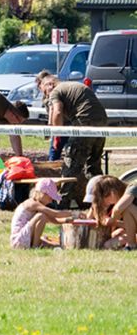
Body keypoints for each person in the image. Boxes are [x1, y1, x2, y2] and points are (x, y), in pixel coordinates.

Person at [38, 75, 107, 208]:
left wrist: (57, 134)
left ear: (49, 85)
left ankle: (62, 203)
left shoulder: (55, 92)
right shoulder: (70, 86)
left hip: (85, 122)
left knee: (71, 164)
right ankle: (103, 202)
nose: (46, 96)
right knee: (93, 167)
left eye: (44, 92)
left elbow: (57, 112)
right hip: (102, 121)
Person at [10, 178, 75, 249]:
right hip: (19, 240)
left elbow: (53, 219)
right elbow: (55, 214)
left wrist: (67, 220)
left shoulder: (37, 205)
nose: (51, 201)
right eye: (50, 197)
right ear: (42, 194)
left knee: (52, 245)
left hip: (23, 238)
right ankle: (35, 246)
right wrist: (75, 214)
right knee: (41, 215)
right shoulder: (33, 204)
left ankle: (37, 244)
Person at [88, 175, 137, 250]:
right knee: (108, 244)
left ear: (112, 193)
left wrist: (113, 221)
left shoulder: (133, 187)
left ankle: (131, 244)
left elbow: (117, 209)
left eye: (104, 199)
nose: (105, 203)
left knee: (127, 209)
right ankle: (131, 246)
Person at [35, 70, 68, 161]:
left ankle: (52, 167)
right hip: (63, 123)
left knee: (54, 151)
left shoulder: (51, 93)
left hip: (61, 125)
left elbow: (52, 110)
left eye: (39, 85)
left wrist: (50, 128)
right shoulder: (50, 92)